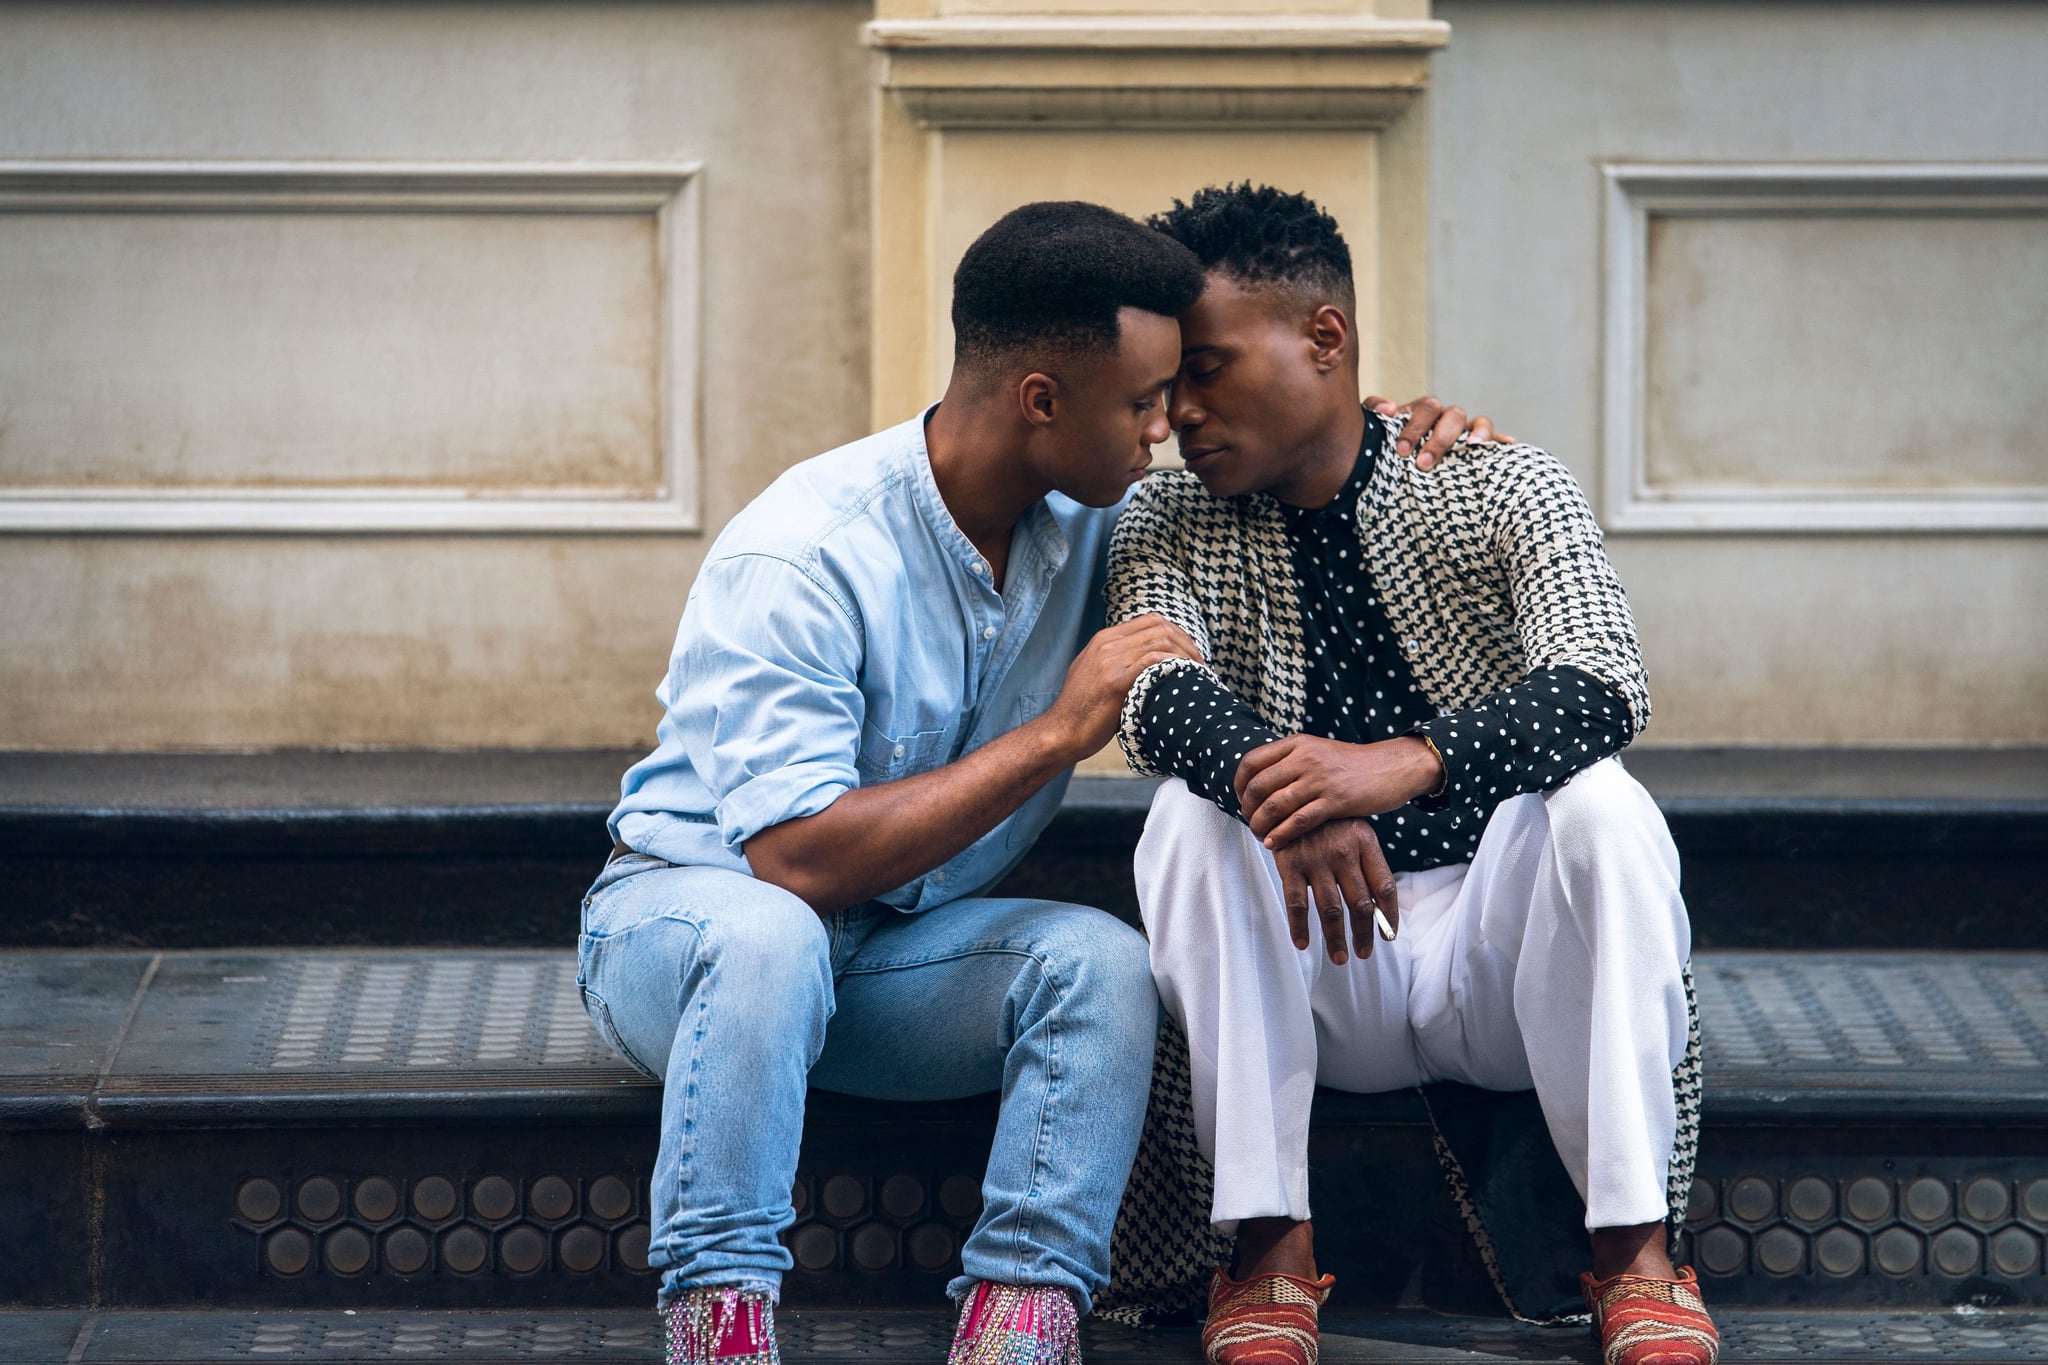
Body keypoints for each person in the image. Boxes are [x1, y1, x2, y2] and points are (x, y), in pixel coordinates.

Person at [580, 198, 1486, 1365]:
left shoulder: (1097, 517)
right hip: (688, 936)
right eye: (1143, 401)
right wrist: (1056, 734)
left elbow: (1288, 458)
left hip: (898, 961)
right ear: (1041, 401)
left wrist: (1386, 422)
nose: (1168, 427)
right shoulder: (799, 553)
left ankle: (1020, 1323)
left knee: (1097, 961)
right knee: (768, 938)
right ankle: (721, 1321)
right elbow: (794, 863)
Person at [1108, 184, 1716, 1365]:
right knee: (1182, 817)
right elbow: (1150, 691)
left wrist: (1400, 765)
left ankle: (1634, 1256)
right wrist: (1284, 793)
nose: (1178, 411)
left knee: (1602, 805)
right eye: (1168, 381)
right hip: (1307, 960)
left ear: (1322, 338)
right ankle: (1266, 1249)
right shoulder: (1163, 519)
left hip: (1499, 962)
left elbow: (1604, 681)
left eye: (1209, 369)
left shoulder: (1496, 482)